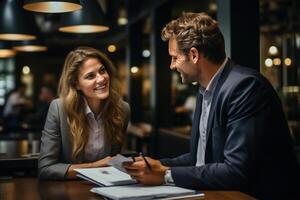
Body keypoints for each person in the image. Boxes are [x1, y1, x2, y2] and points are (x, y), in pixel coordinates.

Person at [124, 12, 299, 199]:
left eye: (174, 57)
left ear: (193, 55)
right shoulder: (204, 89)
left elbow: (236, 171)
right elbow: (199, 159)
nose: (171, 66)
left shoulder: (245, 87)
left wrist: (165, 175)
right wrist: (155, 165)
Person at [38, 47, 130, 180]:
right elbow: (45, 169)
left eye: (102, 71)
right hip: (70, 191)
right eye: (90, 76)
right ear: (76, 84)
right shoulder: (59, 108)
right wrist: (95, 166)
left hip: (108, 189)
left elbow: (113, 160)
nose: (101, 79)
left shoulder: (123, 109)